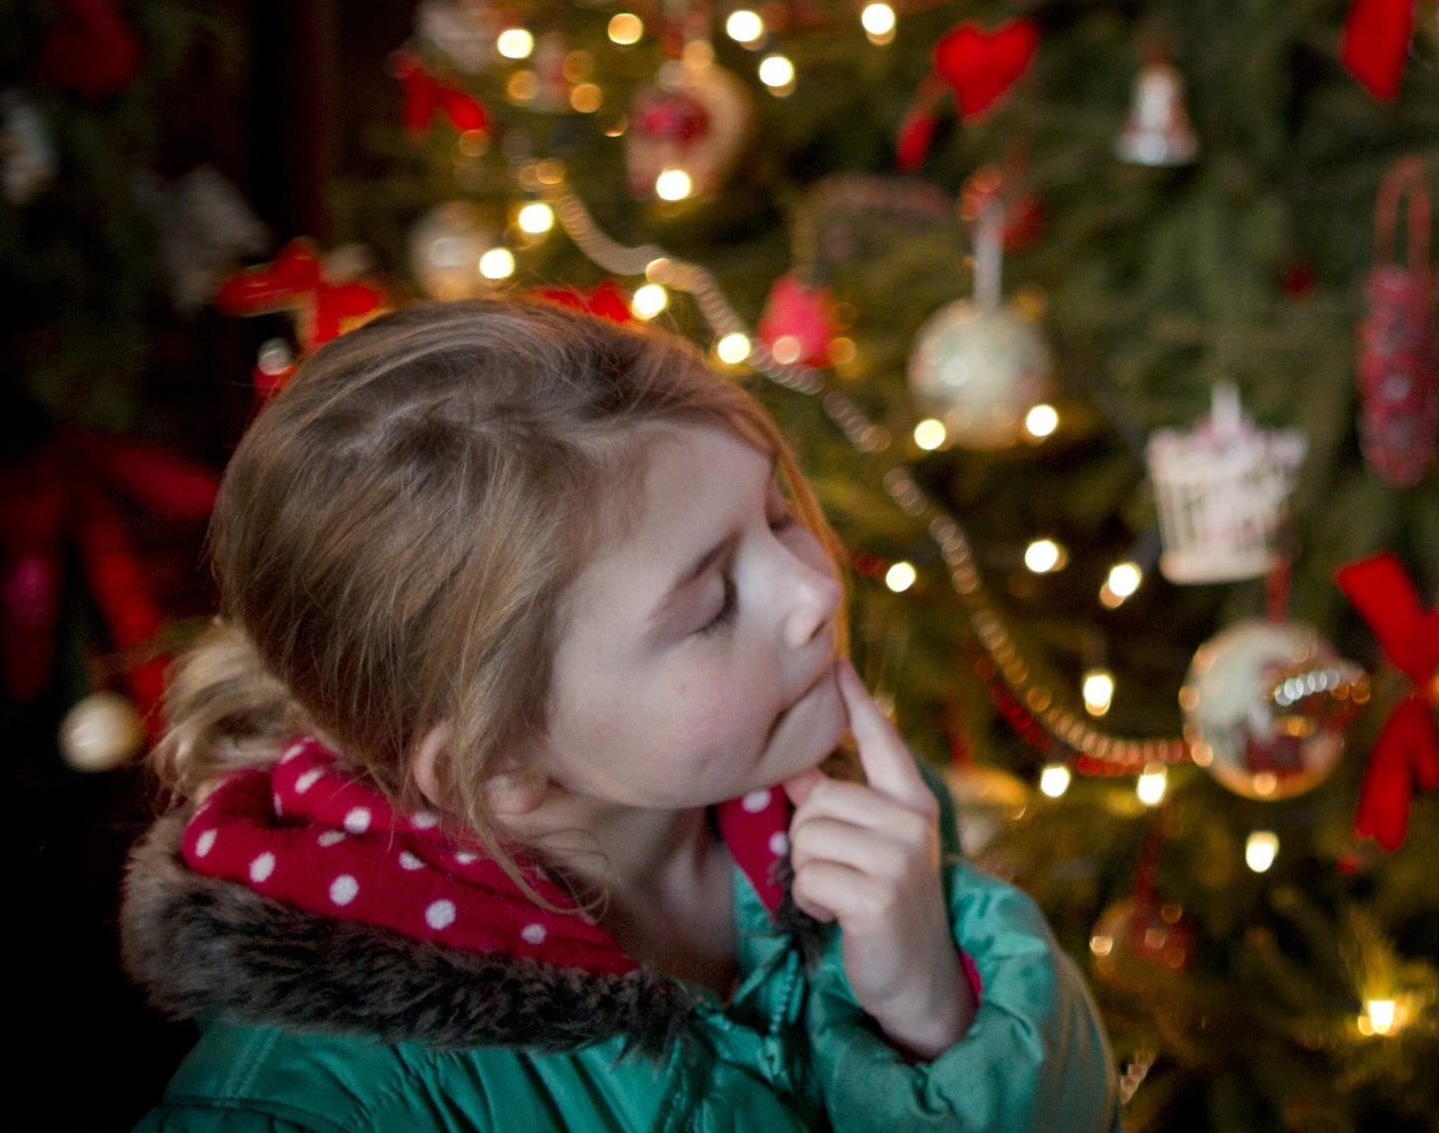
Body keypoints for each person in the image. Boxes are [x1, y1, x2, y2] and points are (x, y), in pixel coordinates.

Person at [121, 299, 1117, 1131]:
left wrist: (934, 1011)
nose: (813, 588)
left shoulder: (848, 814)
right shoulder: (307, 1106)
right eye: (710, 604)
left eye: (774, 515)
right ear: (501, 758)